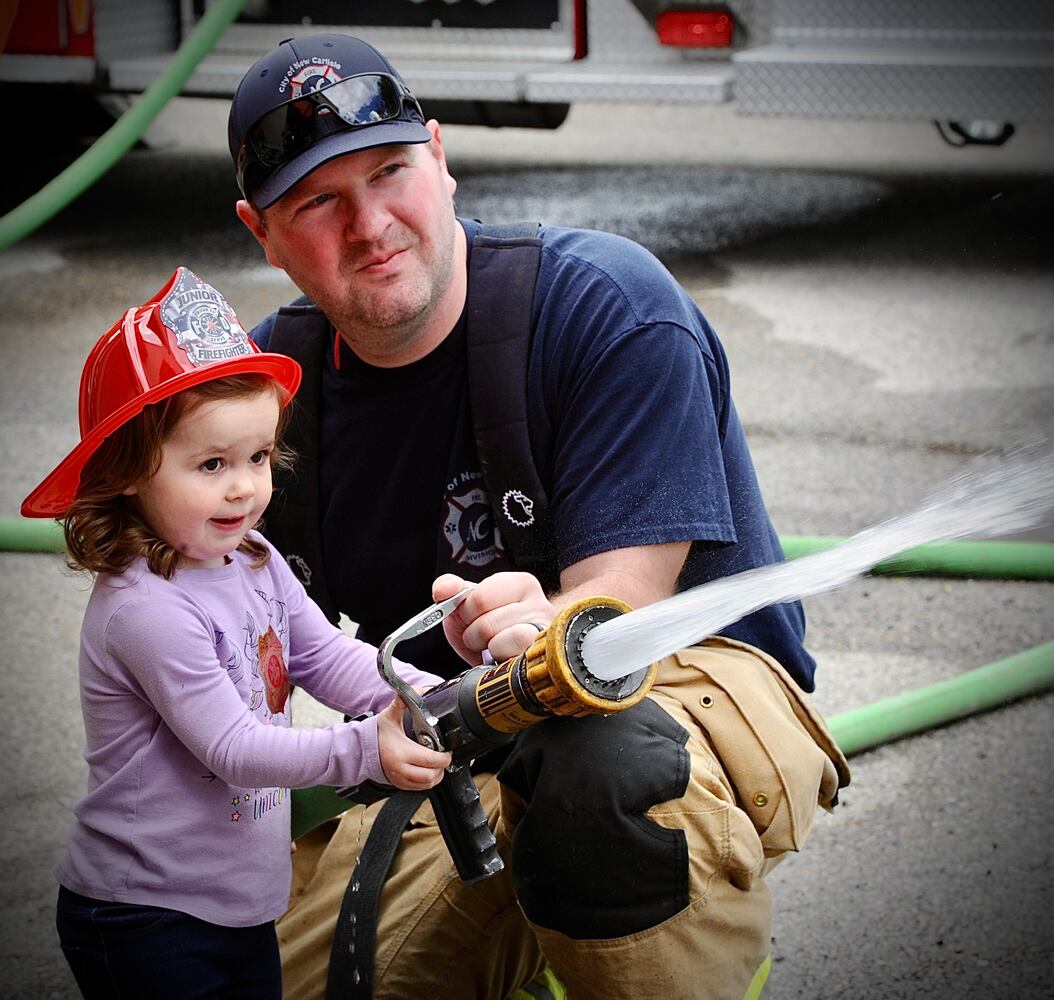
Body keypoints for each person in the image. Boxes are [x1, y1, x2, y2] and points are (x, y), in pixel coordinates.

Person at [228, 34, 851, 1000]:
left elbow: (617, 614)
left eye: (392, 171)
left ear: (439, 156)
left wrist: (542, 623)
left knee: (595, 756)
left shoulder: (606, 308)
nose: (370, 224)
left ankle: (668, 962)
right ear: (259, 231)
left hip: (683, 691)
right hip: (460, 736)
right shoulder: (272, 401)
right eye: (318, 201)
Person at [21, 268, 552, 1000]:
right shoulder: (145, 610)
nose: (244, 487)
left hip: (240, 900)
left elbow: (323, 656)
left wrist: (434, 695)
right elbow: (233, 749)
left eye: (259, 457)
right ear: (125, 473)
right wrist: (368, 747)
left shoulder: (252, 557)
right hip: (144, 913)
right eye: (211, 464)